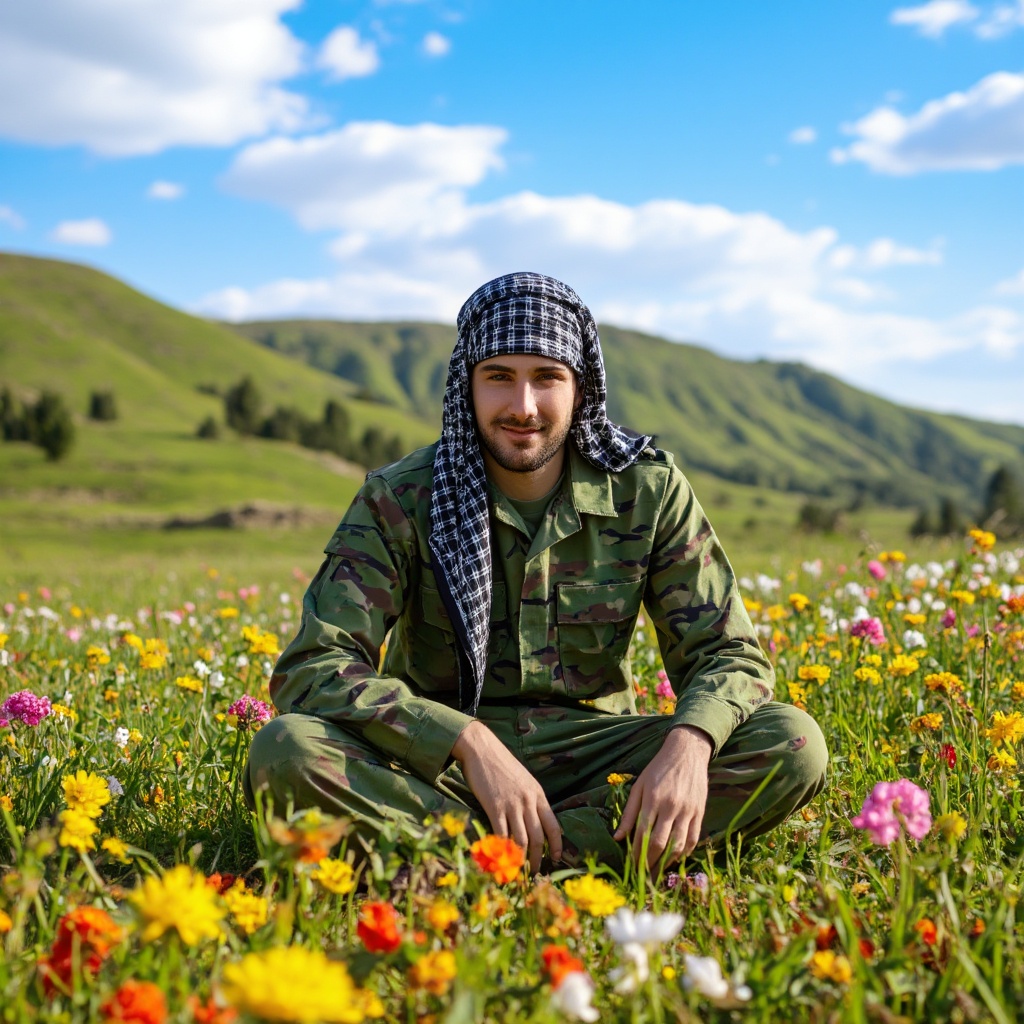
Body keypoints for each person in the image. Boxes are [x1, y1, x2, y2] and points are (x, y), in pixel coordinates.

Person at [245, 272, 828, 873]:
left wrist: (689, 746)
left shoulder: (648, 491)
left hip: (600, 761)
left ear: (580, 388)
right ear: (467, 384)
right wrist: (464, 741)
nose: (522, 407)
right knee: (285, 750)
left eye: (547, 377)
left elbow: (728, 653)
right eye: (499, 377)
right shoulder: (400, 497)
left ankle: (482, 862)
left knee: (791, 741)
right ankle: (575, 859)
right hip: (441, 769)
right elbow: (314, 667)